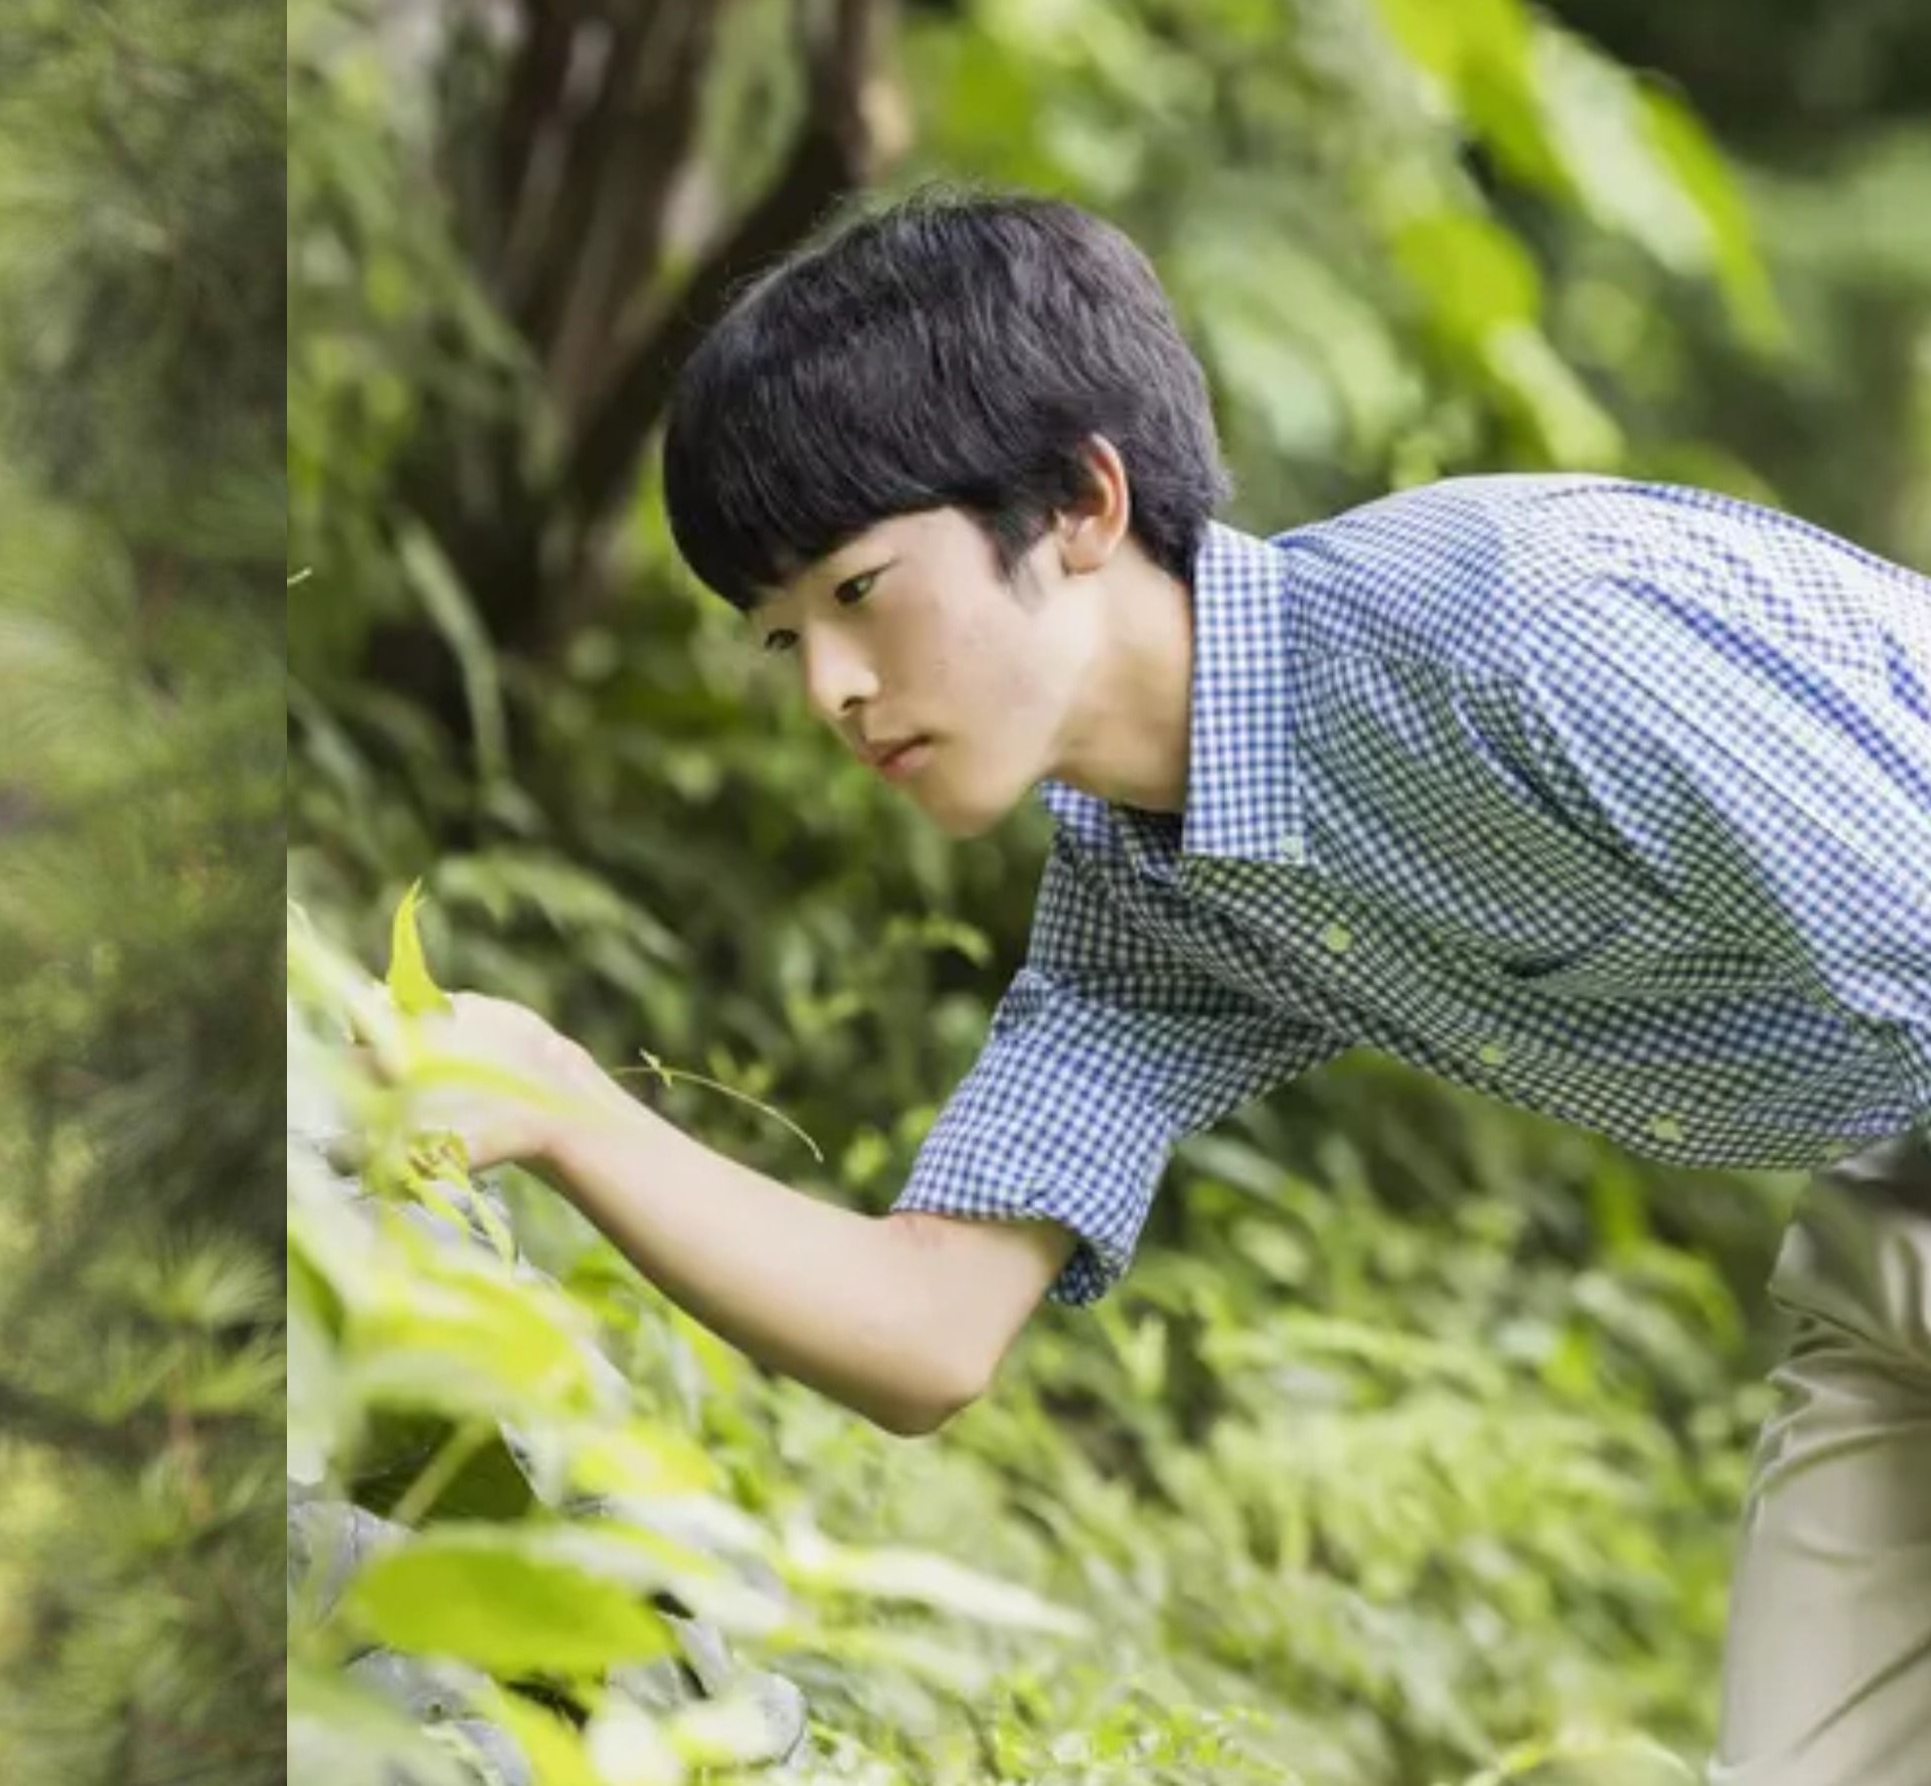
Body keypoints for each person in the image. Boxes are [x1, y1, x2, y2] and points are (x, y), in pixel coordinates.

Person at [391, 186, 1931, 1786]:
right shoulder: (1156, 895)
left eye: (855, 592)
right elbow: (925, 1327)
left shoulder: (1523, 637)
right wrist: (557, 1107)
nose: (834, 692)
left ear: (1081, 504)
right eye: (782, 640)